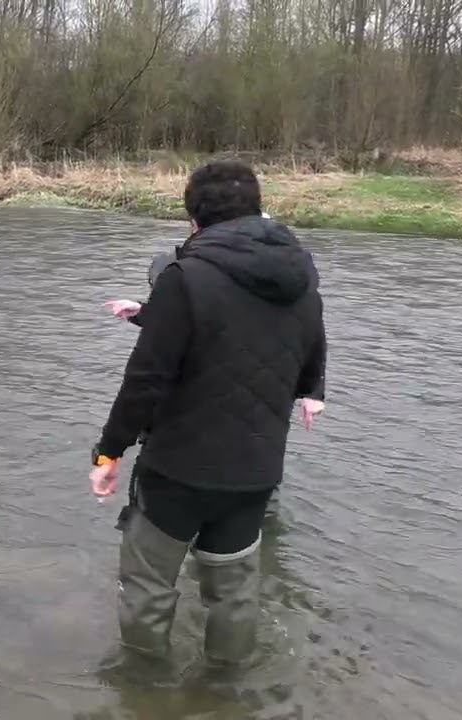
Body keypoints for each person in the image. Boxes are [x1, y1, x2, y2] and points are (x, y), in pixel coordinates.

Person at [89, 160, 327, 670]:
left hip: (178, 470)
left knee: (150, 587)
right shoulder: (302, 279)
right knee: (235, 595)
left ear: (194, 219)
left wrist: (108, 451)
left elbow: (144, 382)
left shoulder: (184, 276)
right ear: (259, 209)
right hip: (256, 475)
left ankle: (145, 690)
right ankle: (227, 691)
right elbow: (311, 370)